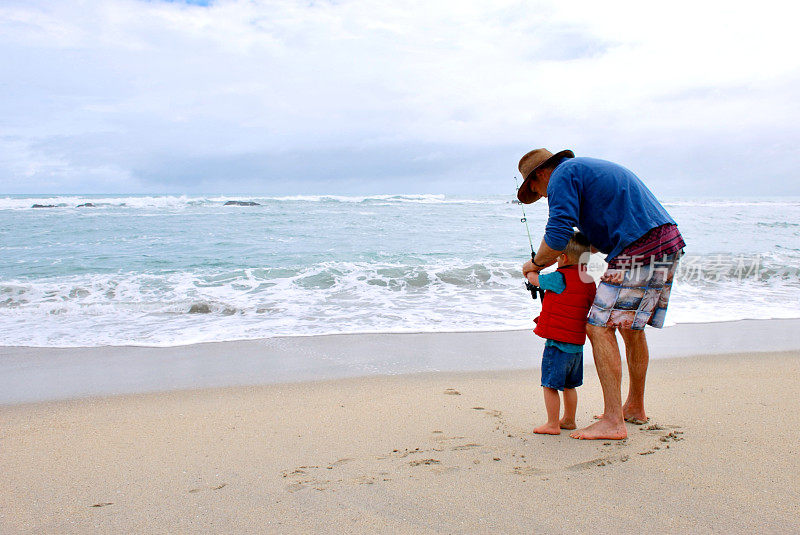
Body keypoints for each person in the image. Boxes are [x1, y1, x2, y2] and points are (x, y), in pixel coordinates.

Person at [518, 148, 685, 440]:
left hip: (640, 246)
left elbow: (557, 236)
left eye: (535, 188)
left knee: (598, 325)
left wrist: (535, 264)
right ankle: (633, 407)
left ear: (541, 174)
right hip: (665, 240)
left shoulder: (561, 176)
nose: (542, 196)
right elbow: (592, 242)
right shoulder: (583, 171)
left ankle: (612, 420)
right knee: (629, 327)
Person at [524, 231, 596, 435]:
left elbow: (536, 279)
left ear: (563, 258)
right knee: (570, 386)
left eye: (556, 257)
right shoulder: (589, 281)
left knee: (550, 385)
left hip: (557, 345)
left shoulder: (559, 277)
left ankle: (552, 424)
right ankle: (569, 420)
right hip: (576, 346)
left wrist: (530, 271)